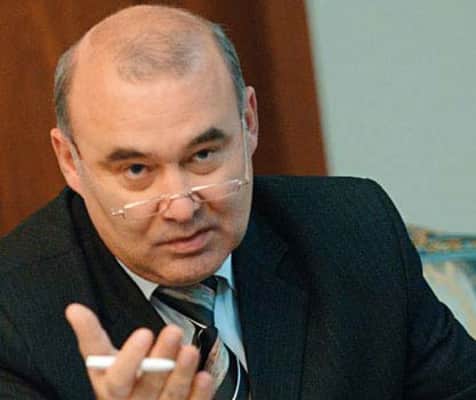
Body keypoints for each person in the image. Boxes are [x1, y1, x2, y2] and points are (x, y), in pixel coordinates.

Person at [1, 4, 476, 400]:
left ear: (248, 122)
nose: (182, 208)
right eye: (137, 170)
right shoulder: (13, 319)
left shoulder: (355, 231)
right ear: (70, 161)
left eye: (204, 155)